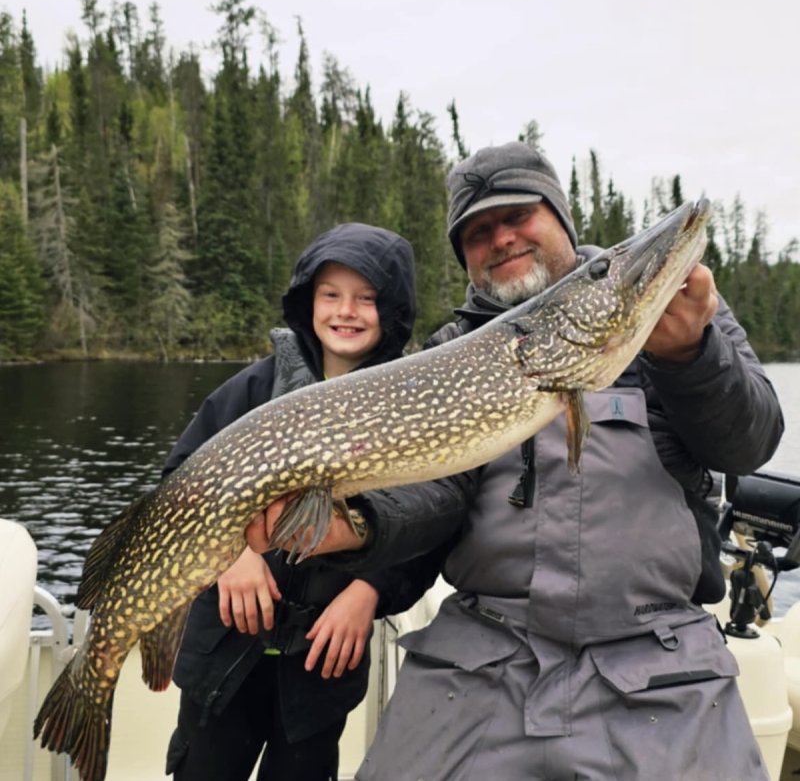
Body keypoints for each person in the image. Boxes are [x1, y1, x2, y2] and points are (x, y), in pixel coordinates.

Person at [247, 142, 785, 780]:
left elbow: (749, 443)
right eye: (478, 232)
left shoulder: (678, 314)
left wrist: (691, 355)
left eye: (518, 216)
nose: (500, 239)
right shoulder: (452, 350)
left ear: (561, 219)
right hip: (485, 653)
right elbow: (436, 492)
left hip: (659, 654)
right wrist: (359, 524)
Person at [165, 223, 439, 781]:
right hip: (223, 654)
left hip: (322, 663)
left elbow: (429, 520)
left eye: (367, 298)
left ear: (392, 311)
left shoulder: (410, 401)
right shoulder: (254, 388)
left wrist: (371, 590)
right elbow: (180, 485)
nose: (347, 311)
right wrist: (230, 557)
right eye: (330, 294)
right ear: (307, 301)